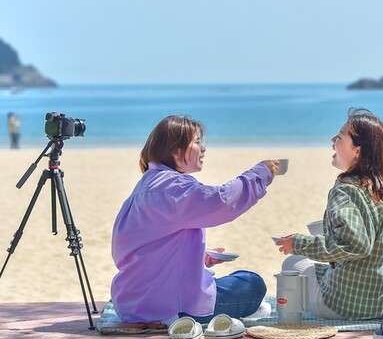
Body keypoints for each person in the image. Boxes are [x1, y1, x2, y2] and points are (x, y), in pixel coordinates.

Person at [111, 114, 280, 325]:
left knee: (232, 281)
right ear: (175, 151)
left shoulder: (147, 185)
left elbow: (146, 249)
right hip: (167, 307)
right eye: (197, 143)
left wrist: (200, 256)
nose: (203, 149)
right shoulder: (172, 188)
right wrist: (260, 173)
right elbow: (222, 201)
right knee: (252, 283)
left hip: (132, 302)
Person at [275, 107, 383, 320]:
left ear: (357, 150)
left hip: (353, 306)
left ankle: (290, 317)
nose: (332, 140)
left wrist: (298, 244)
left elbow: (356, 245)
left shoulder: (347, 189)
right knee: (318, 265)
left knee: (292, 264)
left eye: (339, 136)